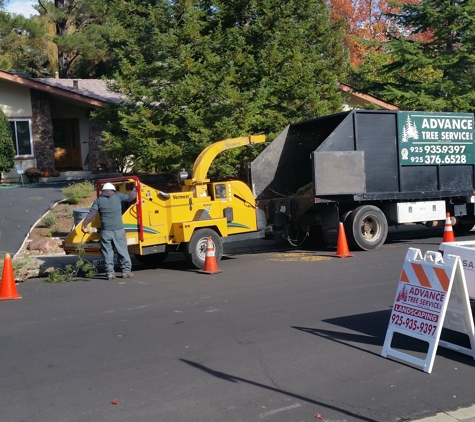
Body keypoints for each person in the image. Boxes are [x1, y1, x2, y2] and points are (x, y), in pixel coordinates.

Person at [82, 182, 137, 280]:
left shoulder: (98, 201)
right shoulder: (118, 196)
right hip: (118, 230)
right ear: (113, 190)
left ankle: (110, 274)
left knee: (107, 253)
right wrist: (135, 188)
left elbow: (91, 213)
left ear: (103, 191)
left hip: (105, 231)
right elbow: (130, 197)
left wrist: (84, 224)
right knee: (122, 251)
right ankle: (126, 272)